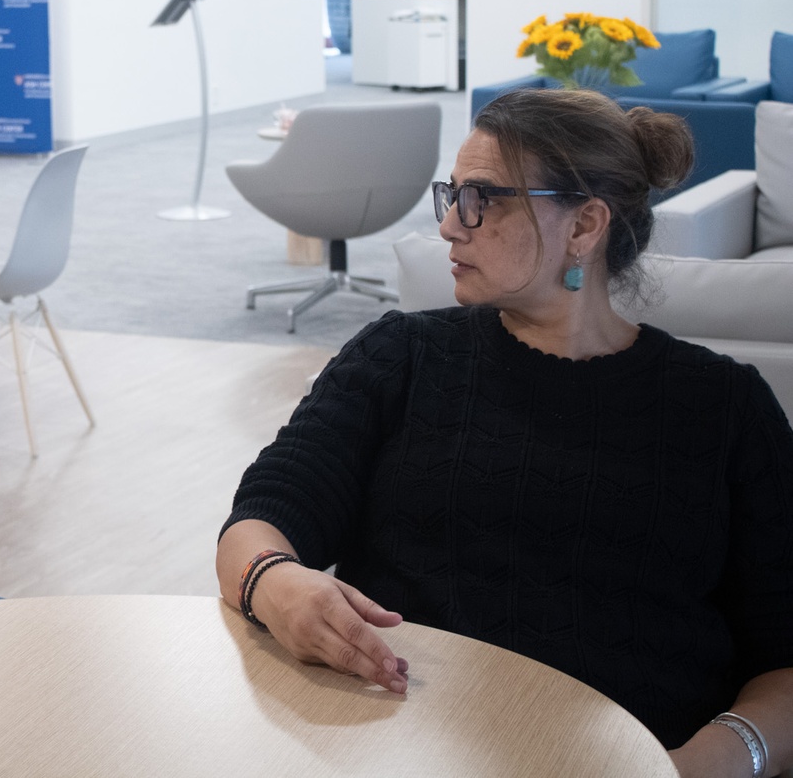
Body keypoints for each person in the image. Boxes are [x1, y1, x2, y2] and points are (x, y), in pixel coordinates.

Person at [216, 88, 793, 778]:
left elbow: (784, 659)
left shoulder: (723, 409)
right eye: (452, 194)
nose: (450, 227)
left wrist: (709, 762)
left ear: (584, 226)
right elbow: (259, 520)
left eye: (482, 198)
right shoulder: (402, 356)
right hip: (397, 750)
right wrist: (275, 583)